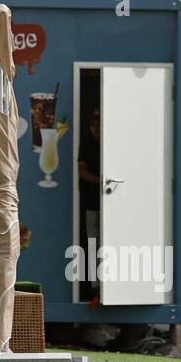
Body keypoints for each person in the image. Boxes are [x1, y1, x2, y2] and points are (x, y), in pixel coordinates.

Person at [76, 110, 101, 302]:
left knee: (108, 244)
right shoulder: (86, 144)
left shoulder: (112, 141)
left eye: (99, 124)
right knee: (93, 243)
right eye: (93, 124)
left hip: (113, 205)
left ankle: (107, 285)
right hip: (92, 202)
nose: (97, 128)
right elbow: (81, 173)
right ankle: (94, 286)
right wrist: (99, 180)